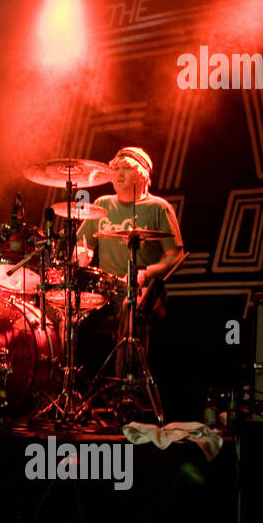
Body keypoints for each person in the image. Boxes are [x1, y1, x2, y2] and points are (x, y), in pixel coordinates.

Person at [74, 146, 183, 375]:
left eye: (125, 169)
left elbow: (175, 255)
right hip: (105, 291)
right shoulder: (103, 204)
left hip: (144, 290)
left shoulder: (158, 207)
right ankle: (69, 382)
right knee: (67, 309)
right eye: (116, 169)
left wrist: (146, 273)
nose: (118, 174)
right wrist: (81, 257)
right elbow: (83, 246)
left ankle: (126, 387)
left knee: (130, 307)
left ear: (142, 174)